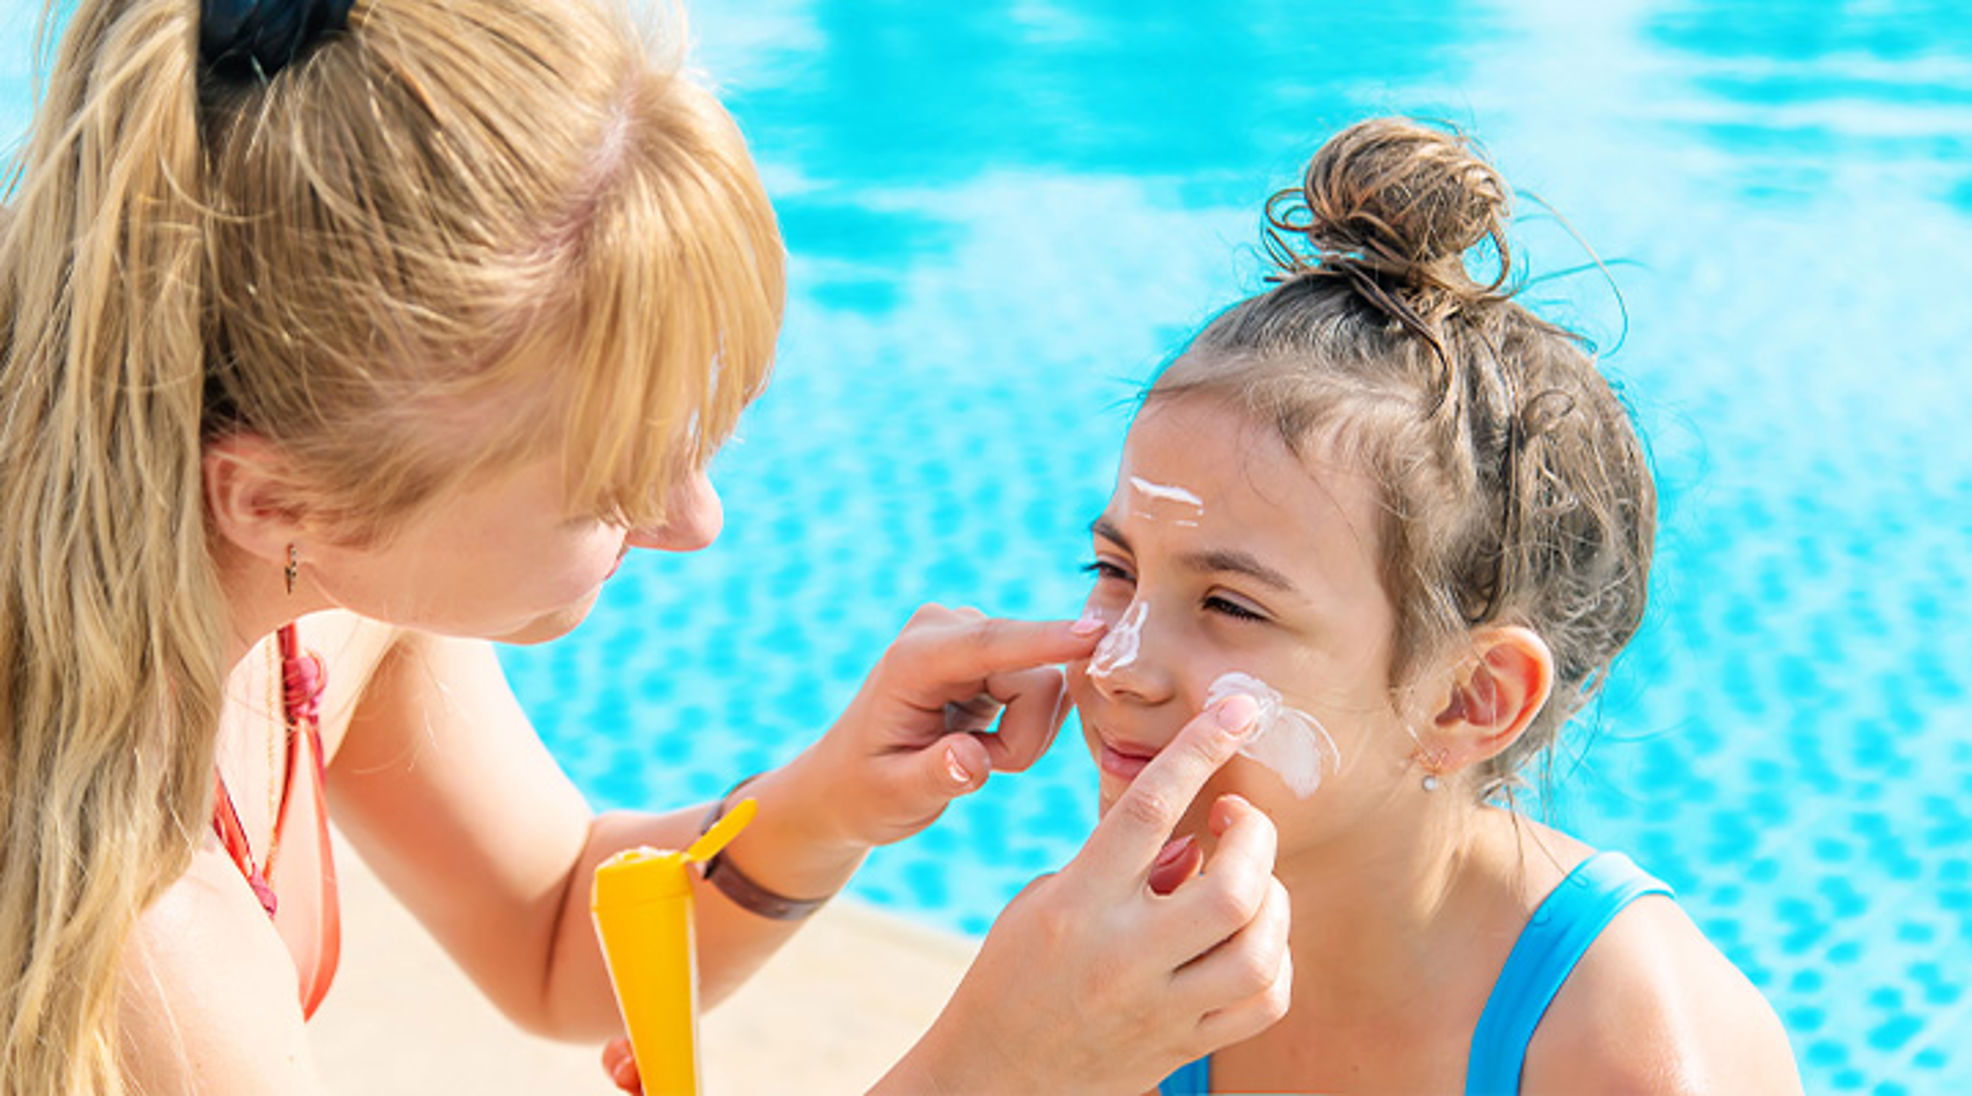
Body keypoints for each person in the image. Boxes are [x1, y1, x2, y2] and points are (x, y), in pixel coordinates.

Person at [0, 0, 1292, 1092]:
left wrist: (827, 803)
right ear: (277, 501)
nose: (694, 522)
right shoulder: (130, 943)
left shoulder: (324, 574)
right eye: (611, 487)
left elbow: (554, 930)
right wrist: (1001, 1066)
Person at [1066, 118, 1804, 1094]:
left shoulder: (1621, 1051)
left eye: (1230, 605)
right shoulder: (1119, 965)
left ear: (1467, 697)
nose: (1117, 662)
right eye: (1115, 569)